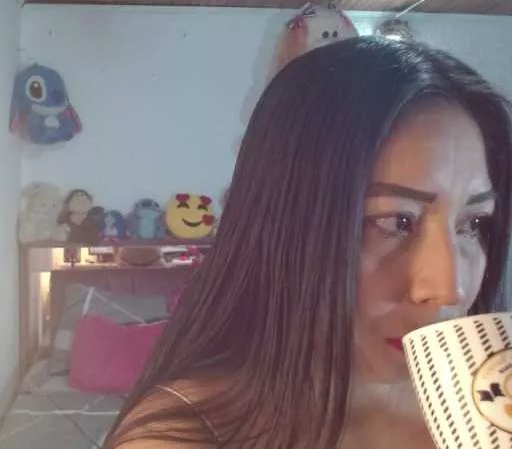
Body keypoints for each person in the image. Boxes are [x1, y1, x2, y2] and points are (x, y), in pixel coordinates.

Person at [104, 37, 512, 448]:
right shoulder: (186, 436)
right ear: (284, 226)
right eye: (395, 221)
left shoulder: (490, 410)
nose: (449, 289)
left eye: (472, 223)